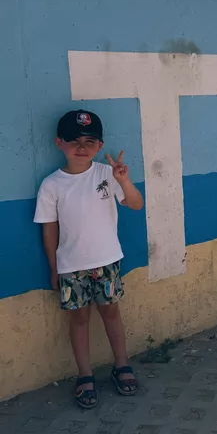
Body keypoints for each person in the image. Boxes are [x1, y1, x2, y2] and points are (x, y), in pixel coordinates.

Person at [34, 110, 144, 409]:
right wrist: (54, 268)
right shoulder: (52, 185)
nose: (81, 147)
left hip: (107, 261)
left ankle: (122, 365)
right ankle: (85, 375)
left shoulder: (107, 174)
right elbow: (49, 229)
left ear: (99, 145)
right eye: (74, 141)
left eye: (89, 141)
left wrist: (124, 180)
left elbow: (136, 204)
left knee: (111, 314)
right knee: (79, 319)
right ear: (59, 142)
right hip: (71, 267)